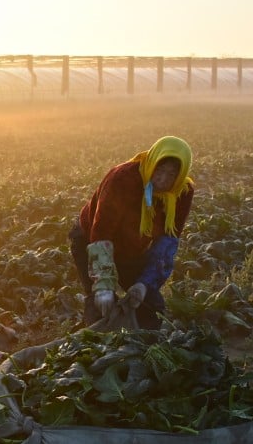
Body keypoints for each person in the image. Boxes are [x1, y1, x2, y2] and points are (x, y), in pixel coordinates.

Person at [69, 136, 195, 329]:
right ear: (152, 163)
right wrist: (104, 283)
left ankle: (141, 348)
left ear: (180, 175)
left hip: (133, 249)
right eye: (159, 170)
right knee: (100, 302)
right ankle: (95, 345)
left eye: (171, 175)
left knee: (150, 305)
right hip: (91, 239)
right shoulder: (123, 178)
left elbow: (167, 241)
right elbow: (101, 231)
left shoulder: (182, 193)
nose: (163, 179)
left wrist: (144, 283)